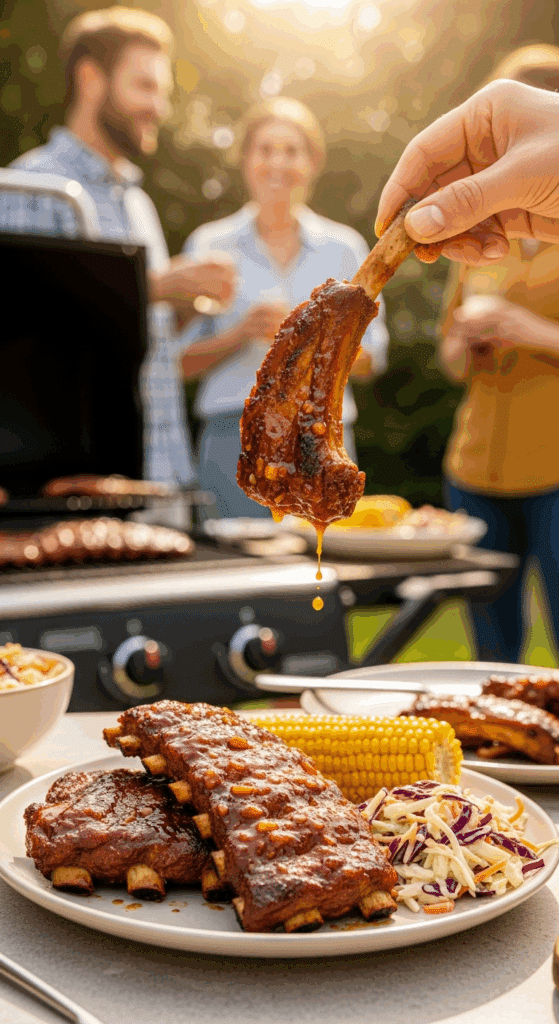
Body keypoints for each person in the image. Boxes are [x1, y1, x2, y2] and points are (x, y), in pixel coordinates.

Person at [0, 6, 236, 490]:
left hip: (162, 471)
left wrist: (179, 307)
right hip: (76, 491)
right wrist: (150, 286)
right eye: (145, 87)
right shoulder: (30, 187)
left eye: (162, 92)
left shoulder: (138, 203)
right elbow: (24, 335)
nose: (160, 108)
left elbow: (139, 341)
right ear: (91, 80)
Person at [179, 97, 389, 518]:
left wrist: (313, 341)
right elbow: (177, 363)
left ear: (312, 163)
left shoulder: (345, 248)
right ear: (245, 160)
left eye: (291, 150)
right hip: (231, 439)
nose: (278, 162)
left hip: (322, 440)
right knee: (232, 578)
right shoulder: (208, 245)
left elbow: (374, 361)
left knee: (318, 574)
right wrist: (239, 334)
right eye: (265, 149)